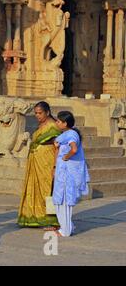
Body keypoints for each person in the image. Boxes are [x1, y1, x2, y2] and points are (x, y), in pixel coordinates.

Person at [18, 101, 61, 229]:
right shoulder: (41, 125)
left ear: (47, 112)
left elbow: (58, 147)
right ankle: (36, 216)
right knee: (36, 190)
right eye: (36, 113)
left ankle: (53, 221)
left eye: (40, 113)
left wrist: (55, 166)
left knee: (48, 190)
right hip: (36, 162)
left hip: (47, 162)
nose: (37, 115)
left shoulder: (53, 126)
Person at [53, 111, 90, 237]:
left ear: (65, 123)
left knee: (64, 201)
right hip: (62, 173)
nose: (57, 123)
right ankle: (68, 226)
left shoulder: (71, 135)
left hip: (67, 174)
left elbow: (73, 149)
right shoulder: (66, 134)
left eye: (59, 121)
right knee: (59, 200)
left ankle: (65, 230)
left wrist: (66, 157)